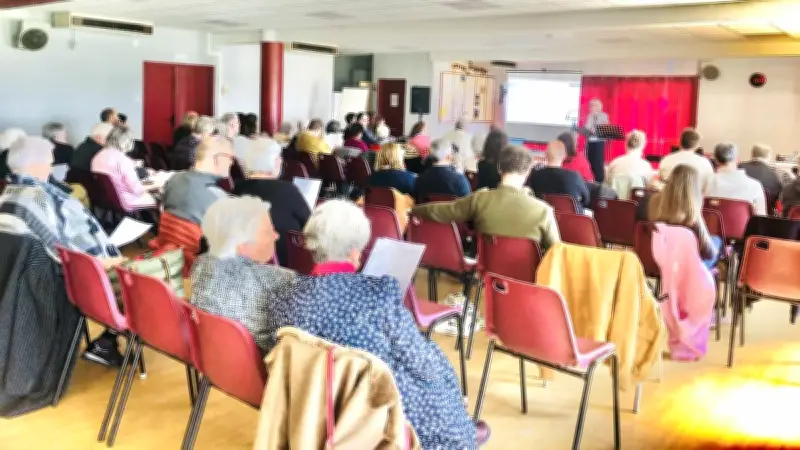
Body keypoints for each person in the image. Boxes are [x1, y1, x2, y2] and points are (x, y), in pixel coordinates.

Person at [262, 200, 478, 450]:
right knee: (432, 363)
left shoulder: (284, 298)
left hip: (318, 408)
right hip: (379, 408)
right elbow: (419, 361)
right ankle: (462, 432)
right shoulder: (378, 293)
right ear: (355, 253)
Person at [0, 136, 126, 366]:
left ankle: (107, 342)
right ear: (37, 165)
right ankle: (107, 342)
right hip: (65, 280)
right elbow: (71, 252)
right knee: (139, 280)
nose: (50, 171)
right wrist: (109, 260)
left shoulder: (9, 193)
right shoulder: (44, 199)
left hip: (25, 279)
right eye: (49, 165)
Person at [190, 196, 296, 351]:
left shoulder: (200, 264)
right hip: (267, 368)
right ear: (241, 244)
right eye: (269, 230)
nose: (276, 235)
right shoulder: (281, 280)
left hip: (213, 358)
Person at [412, 145, 561, 251]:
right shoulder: (544, 212)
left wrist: (412, 209)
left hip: (486, 275)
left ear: (499, 168)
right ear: (529, 171)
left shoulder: (479, 199)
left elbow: (444, 210)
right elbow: (556, 251)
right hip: (530, 281)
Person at [233, 138, 311, 266]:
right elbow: (309, 223)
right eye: (279, 157)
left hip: (247, 261)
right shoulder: (287, 190)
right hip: (285, 263)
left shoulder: (237, 188)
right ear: (275, 161)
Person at [648, 164, 720, 268]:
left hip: (655, 258)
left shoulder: (654, 202)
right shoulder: (692, 215)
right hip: (685, 265)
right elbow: (709, 253)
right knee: (717, 241)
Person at [162, 137, 232, 225]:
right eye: (230, 158)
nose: (232, 162)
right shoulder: (218, 198)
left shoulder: (173, 180)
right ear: (219, 159)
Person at [91, 126, 157, 209]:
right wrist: (157, 185)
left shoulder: (97, 156)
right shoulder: (123, 160)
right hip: (126, 201)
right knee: (161, 198)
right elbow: (137, 190)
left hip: (108, 199)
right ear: (127, 142)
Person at [527, 140, 591, 213]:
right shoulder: (574, 176)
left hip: (543, 218)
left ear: (545, 154)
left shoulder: (535, 176)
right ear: (565, 156)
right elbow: (586, 200)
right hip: (571, 221)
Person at [706, 142, 767, 215]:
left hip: (709, 225)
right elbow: (761, 217)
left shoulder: (703, 182)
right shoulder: (755, 186)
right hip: (743, 226)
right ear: (738, 159)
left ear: (715, 160)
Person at [606, 129, 655, 199]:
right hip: (636, 208)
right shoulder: (645, 166)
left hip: (613, 206)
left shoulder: (614, 163)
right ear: (643, 145)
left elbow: (607, 185)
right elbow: (649, 188)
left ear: (626, 144)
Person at [582, 98, 610, 182]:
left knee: (598, 163)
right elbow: (587, 127)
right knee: (589, 161)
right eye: (590, 105)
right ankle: (590, 179)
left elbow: (605, 128)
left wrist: (595, 129)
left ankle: (599, 181)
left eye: (593, 105)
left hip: (599, 142)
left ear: (598, 107)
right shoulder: (589, 116)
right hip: (590, 141)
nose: (591, 107)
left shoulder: (603, 115)